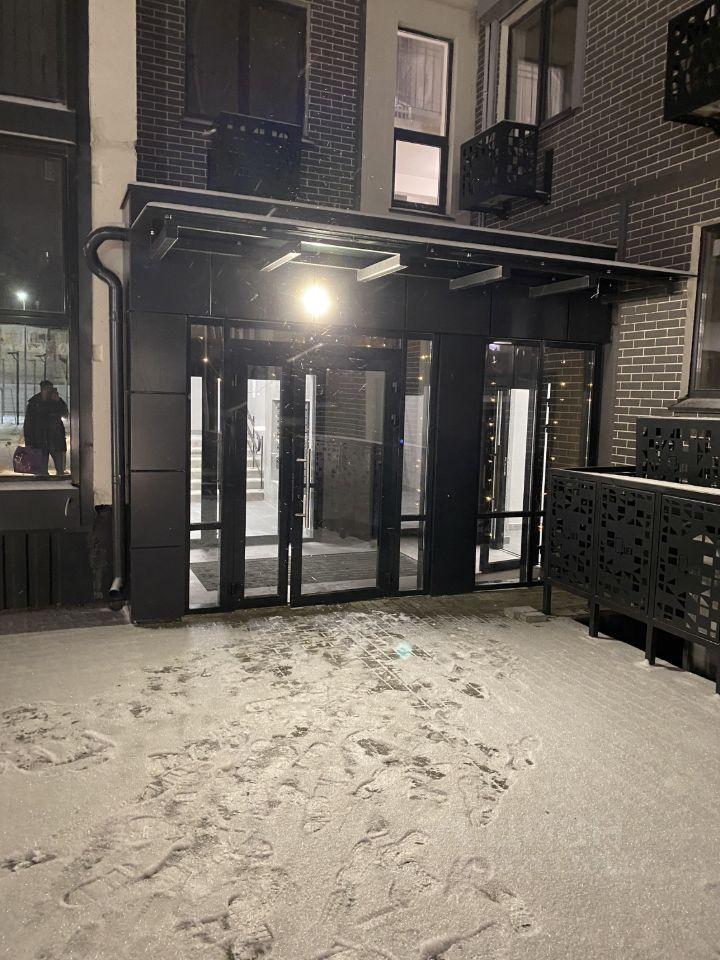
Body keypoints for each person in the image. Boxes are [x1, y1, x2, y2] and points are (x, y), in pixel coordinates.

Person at [23, 380, 69, 476]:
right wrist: (29, 442)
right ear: (42, 390)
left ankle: (59, 480)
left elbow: (65, 414)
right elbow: (28, 424)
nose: (49, 392)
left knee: (60, 470)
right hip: (40, 440)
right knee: (41, 472)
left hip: (56, 438)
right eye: (47, 389)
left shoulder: (56, 401)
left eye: (50, 389)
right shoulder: (34, 403)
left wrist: (58, 401)